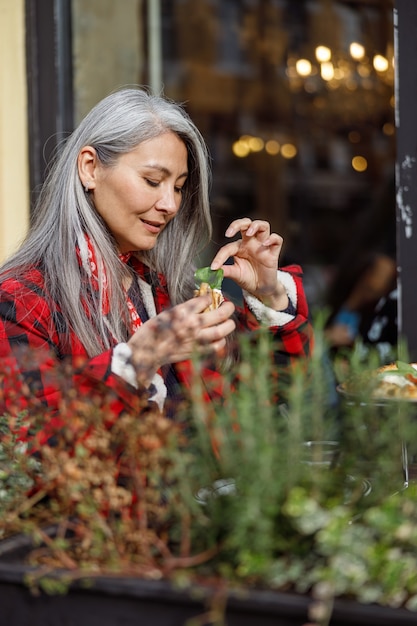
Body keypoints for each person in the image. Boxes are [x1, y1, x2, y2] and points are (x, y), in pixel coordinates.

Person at [0, 87, 312, 441]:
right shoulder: (20, 303)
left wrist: (269, 293)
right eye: (152, 181)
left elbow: (272, 399)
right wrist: (137, 361)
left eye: (179, 187)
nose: (170, 204)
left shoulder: (167, 290)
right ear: (90, 169)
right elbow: (30, 457)